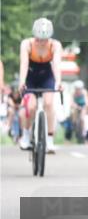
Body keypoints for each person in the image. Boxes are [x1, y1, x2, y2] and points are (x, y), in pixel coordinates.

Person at [19, 18, 63, 154]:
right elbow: (24, 63)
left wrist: (59, 81)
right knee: (31, 106)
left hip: (46, 76)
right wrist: (22, 82)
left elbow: (56, 64)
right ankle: (26, 135)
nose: (41, 42)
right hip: (30, 76)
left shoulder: (55, 45)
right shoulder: (26, 44)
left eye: (44, 39)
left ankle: (49, 140)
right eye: (38, 39)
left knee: (49, 104)